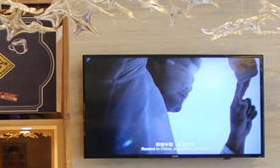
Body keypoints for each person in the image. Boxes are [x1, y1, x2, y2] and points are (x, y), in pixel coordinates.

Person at [86, 55, 258, 156]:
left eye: (194, 77)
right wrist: (238, 56)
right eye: (186, 71)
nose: (190, 86)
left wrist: (237, 136)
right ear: (152, 63)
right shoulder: (125, 75)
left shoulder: (159, 130)